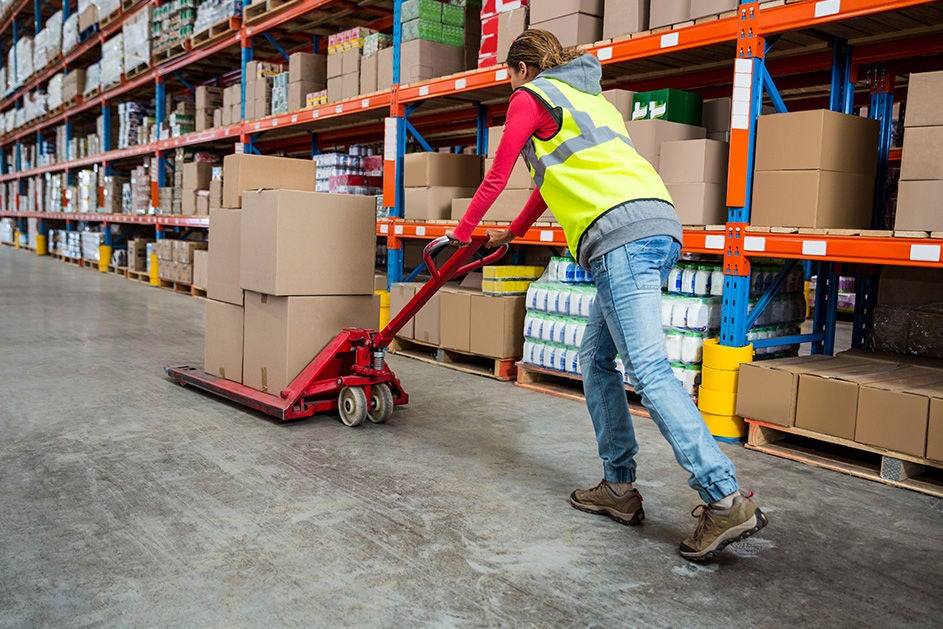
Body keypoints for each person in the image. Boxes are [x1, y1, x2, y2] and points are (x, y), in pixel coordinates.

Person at [445, 30, 768, 561]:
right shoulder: (589, 101)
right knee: (595, 359)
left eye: (508, 74)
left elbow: (498, 174)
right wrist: (512, 234)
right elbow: (551, 182)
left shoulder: (530, 97)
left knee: (649, 370)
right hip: (655, 225)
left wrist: (461, 235)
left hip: (620, 241)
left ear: (521, 69)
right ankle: (619, 489)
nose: (508, 85)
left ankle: (724, 497)